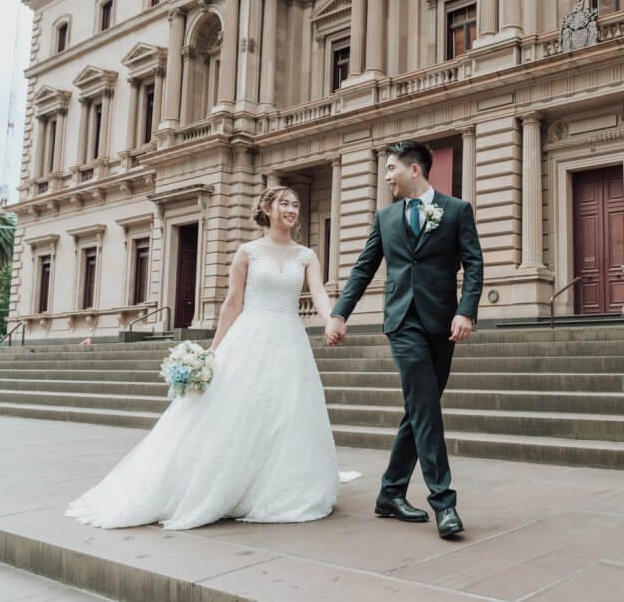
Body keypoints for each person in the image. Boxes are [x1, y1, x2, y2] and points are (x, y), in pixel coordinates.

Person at [66, 186, 358, 530]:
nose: (292, 210)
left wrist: (331, 320)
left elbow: (320, 292)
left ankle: (279, 485)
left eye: (296, 204)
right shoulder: (247, 252)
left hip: (290, 339)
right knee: (239, 410)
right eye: (285, 204)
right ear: (267, 208)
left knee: (288, 410)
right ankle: (223, 482)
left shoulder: (306, 255)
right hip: (250, 336)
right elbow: (232, 303)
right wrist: (214, 351)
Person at [327, 140, 483, 539]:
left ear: (415, 170)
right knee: (426, 407)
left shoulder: (456, 211)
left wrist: (466, 310)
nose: (386, 177)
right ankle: (443, 504)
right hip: (402, 323)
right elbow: (364, 268)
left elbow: (474, 264)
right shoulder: (385, 218)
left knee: (419, 408)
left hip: (443, 323)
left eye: (392, 168)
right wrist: (340, 314)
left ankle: (390, 493)